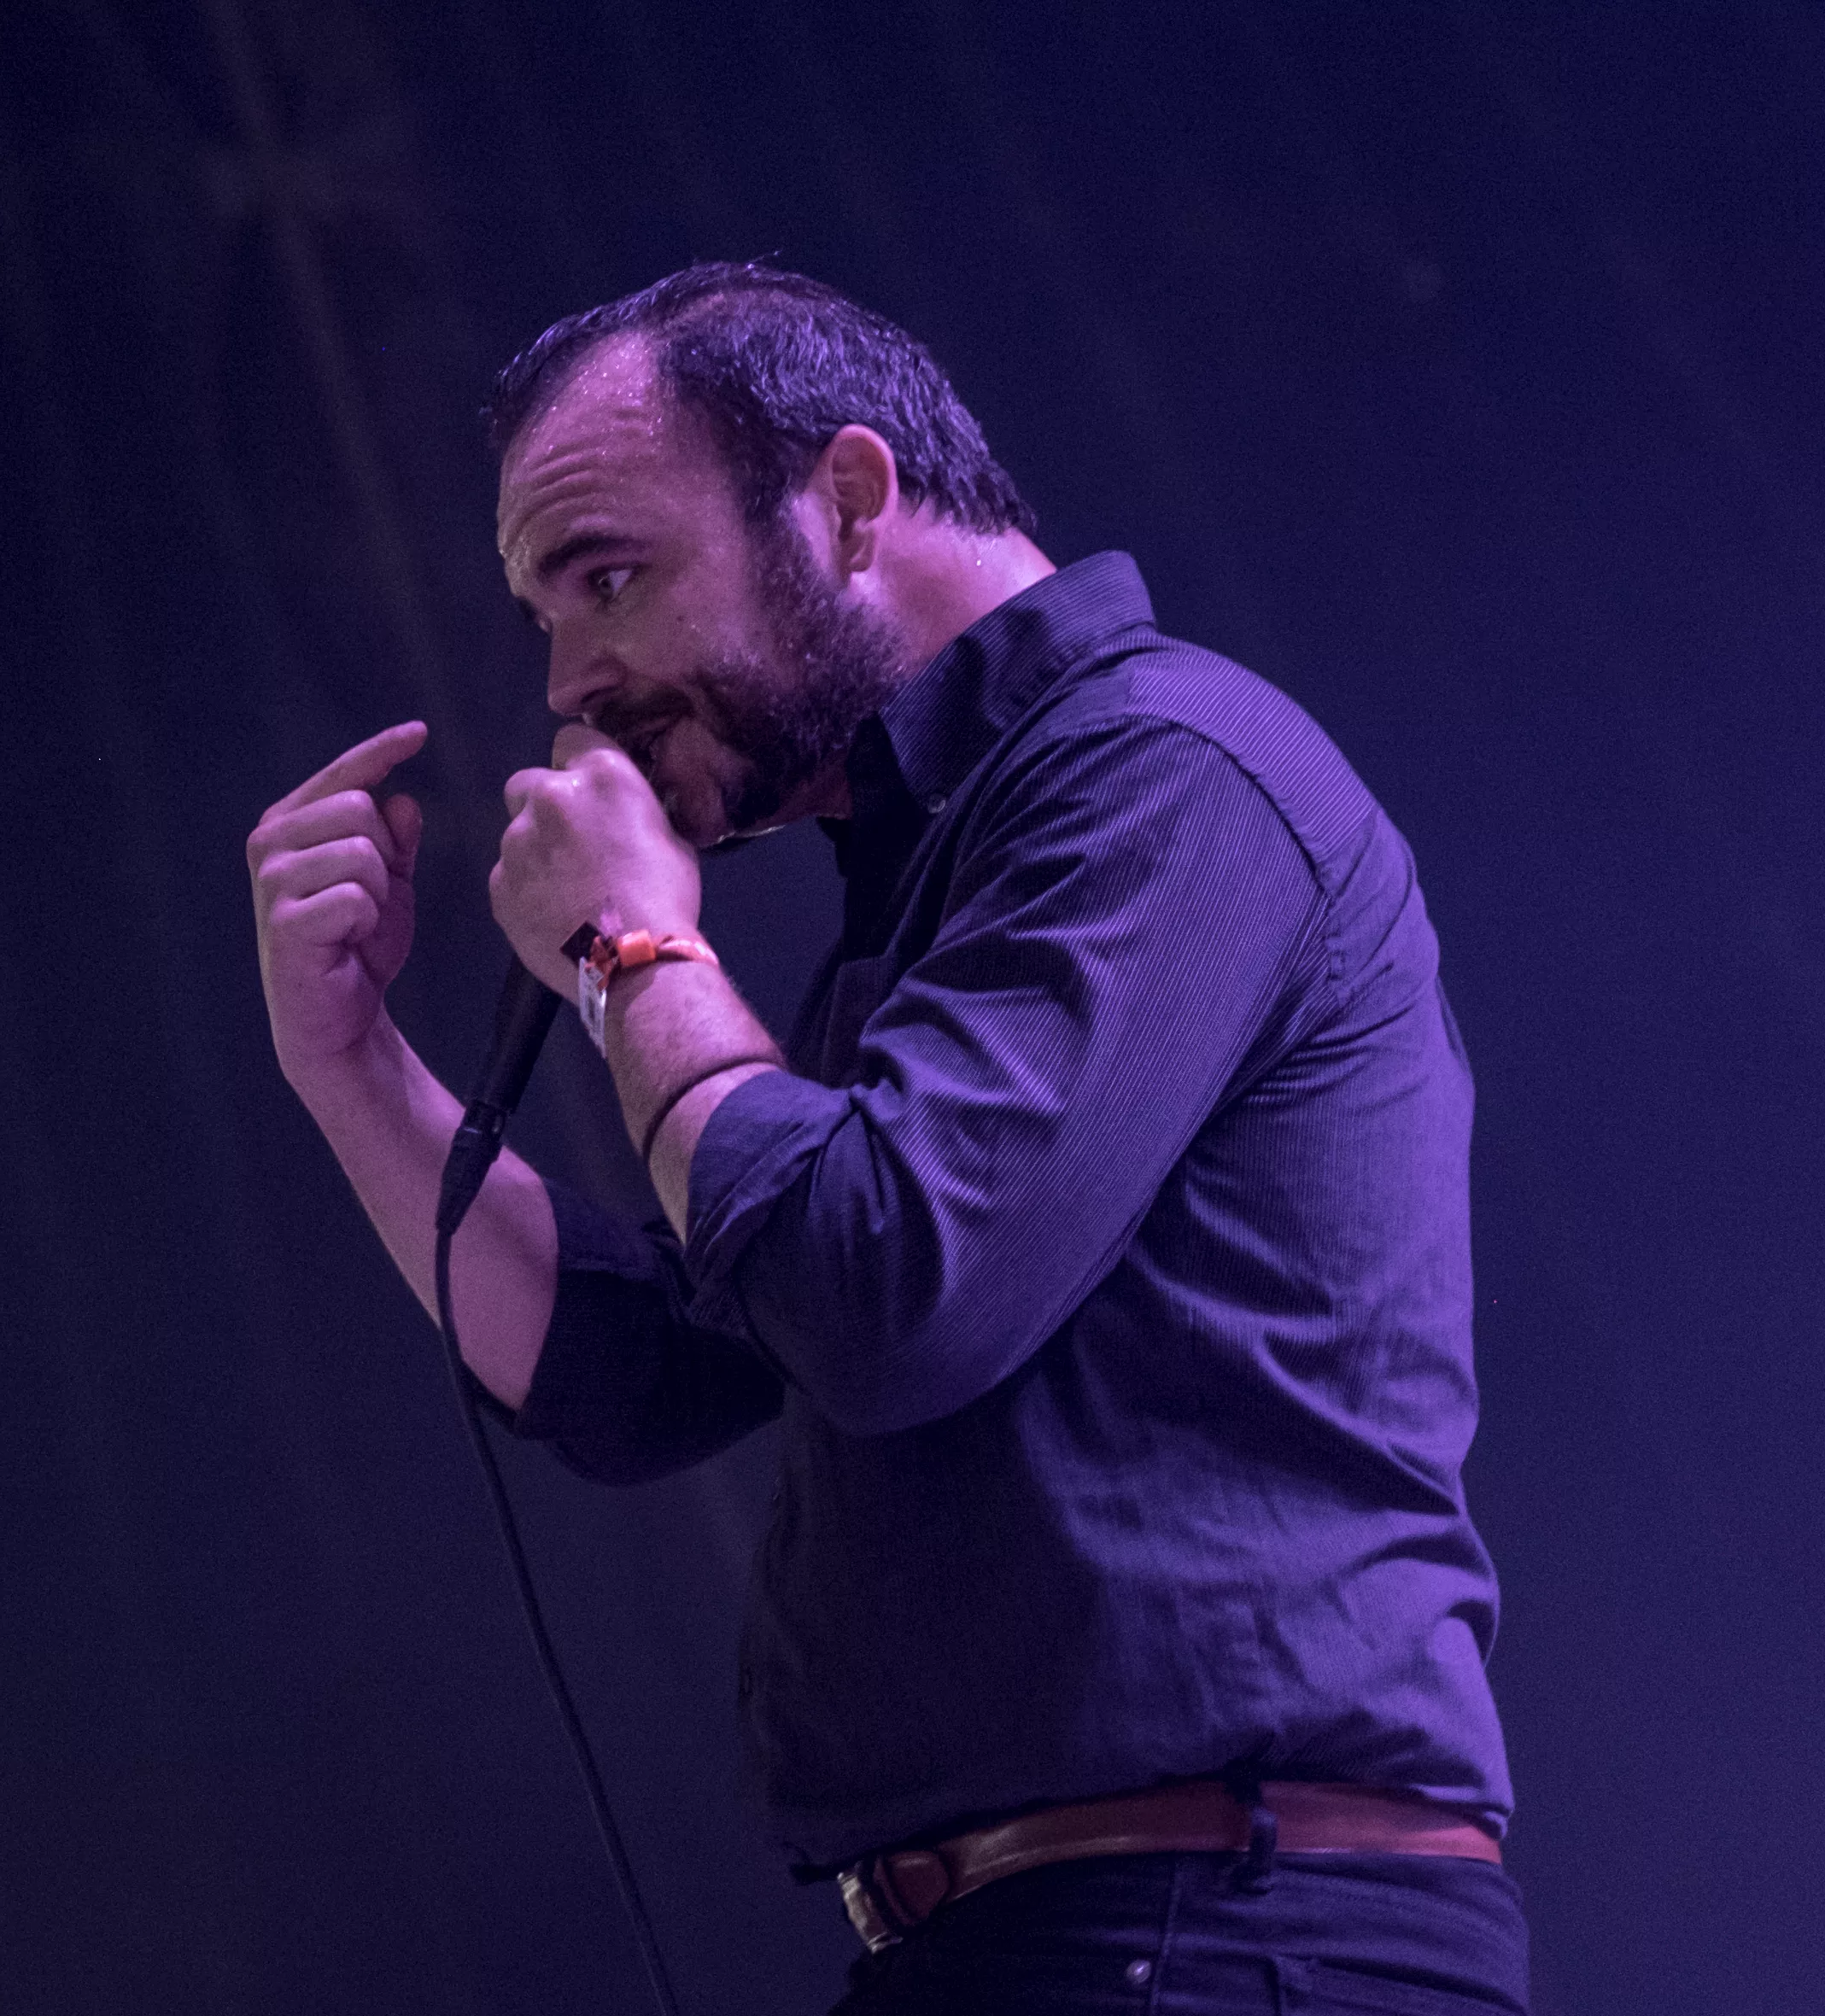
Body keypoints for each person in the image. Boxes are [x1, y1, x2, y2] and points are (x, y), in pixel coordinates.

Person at [245, 264, 1527, 2014]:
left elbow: (876, 1293)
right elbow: (649, 1370)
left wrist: (632, 948)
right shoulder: (940, 873)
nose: (568, 680)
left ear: (849, 499)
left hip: (1227, 1930)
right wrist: (347, 1063)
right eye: (543, 613)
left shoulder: (1167, 770)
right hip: (1050, 1939)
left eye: (608, 578)